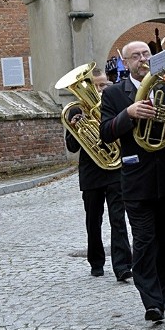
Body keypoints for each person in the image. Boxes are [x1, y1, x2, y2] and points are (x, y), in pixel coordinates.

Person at [100, 40, 165, 322]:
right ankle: (152, 301)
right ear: (125, 62)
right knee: (145, 240)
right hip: (136, 179)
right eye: (135, 56)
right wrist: (129, 114)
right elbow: (105, 133)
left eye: (146, 54)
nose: (142, 59)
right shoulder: (114, 93)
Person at [65, 66, 132, 282]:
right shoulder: (76, 111)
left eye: (104, 85)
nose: (101, 89)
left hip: (114, 171)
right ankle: (96, 261)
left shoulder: (112, 105)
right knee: (93, 220)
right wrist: (76, 129)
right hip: (91, 172)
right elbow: (72, 147)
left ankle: (122, 266)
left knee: (118, 219)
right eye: (97, 86)